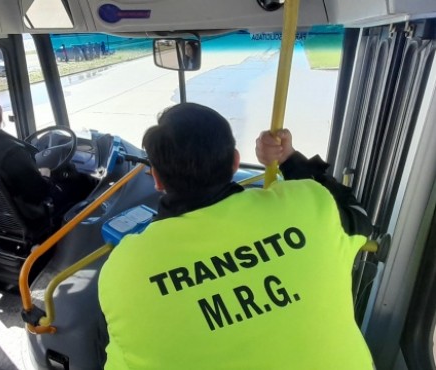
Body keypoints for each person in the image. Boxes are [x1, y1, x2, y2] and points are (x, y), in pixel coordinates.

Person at [98, 103, 374, 369]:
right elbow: (359, 216)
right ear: (235, 161)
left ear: (156, 179)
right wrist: (288, 160)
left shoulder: (124, 270)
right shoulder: (309, 205)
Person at [0, 83, 92, 224]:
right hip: (32, 216)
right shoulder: (9, 151)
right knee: (82, 182)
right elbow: (39, 193)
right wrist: (45, 175)